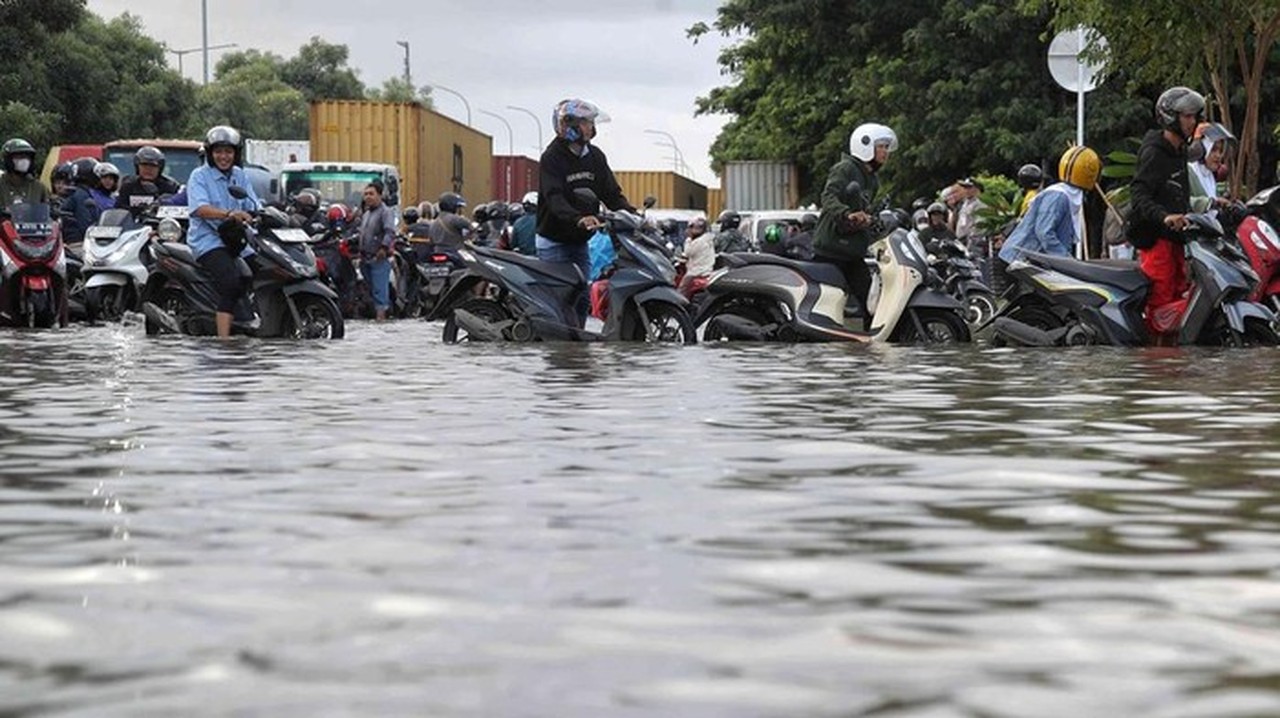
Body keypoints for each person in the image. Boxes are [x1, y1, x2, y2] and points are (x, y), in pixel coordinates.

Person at [537, 98, 634, 326]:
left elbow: (612, 194)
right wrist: (578, 218)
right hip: (554, 241)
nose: (591, 127)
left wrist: (632, 215)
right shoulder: (552, 157)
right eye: (585, 122)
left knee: (581, 298)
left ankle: (575, 352)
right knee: (561, 302)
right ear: (569, 125)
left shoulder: (595, 156)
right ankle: (557, 350)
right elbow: (554, 198)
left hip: (580, 242)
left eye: (591, 122)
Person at [1129, 86, 1203, 342]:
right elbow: (1139, 196)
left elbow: (1179, 195)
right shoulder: (1154, 152)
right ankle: (1156, 366)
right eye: (1187, 116)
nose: (1192, 122)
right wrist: (1164, 217)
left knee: (1178, 301)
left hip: (1177, 241)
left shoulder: (1179, 151)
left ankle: (1173, 363)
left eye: (1194, 116)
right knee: (1160, 306)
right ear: (1171, 117)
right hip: (1156, 240)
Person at [813, 122, 897, 323]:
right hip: (831, 250)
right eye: (881, 147)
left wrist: (872, 221)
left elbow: (864, 208)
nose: (885, 152)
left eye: (886, 147)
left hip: (853, 251)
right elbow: (828, 197)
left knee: (871, 301)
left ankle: (871, 348)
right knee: (827, 302)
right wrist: (847, 214)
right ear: (865, 146)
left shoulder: (872, 179)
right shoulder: (845, 169)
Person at [187, 125, 262, 338]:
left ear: (236, 154)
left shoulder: (239, 175)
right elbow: (199, 209)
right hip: (208, 240)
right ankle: (224, 340)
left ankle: (248, 317)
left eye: (228, 152)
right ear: (210, 153)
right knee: (230, 282)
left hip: (237, 239)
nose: (223, 156)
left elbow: (253, 203)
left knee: (261, 268)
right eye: (218, 151)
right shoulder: (199, 176)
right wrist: (229, 214)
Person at [994, 146, 1102, 292]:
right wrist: (1066, 261)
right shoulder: (1059, 196)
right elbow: (1044, 232)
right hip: (1021, 261)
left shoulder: (1067, 194)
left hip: (1029, 262)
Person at [357, 182, 397, 321]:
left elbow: (390, 232)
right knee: (373, 291)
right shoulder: (367, 213)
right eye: (366, 194)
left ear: (380, 195)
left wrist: (383, 248)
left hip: (378, 258)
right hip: (365, 258)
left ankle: (381, 320)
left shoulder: (386, 212)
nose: (368, 197)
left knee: (380, 291)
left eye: (371, 194)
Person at [1187, 122, 1235, 216]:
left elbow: (1216, 200)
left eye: (1220, 150)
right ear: (1203, 149)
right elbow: (1181, 201)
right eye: (1213, 150)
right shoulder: (1188, 172)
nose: (1218, 155)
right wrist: (1208, 203)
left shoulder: (1209, 175)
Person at [115, 146, 182, 211]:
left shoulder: (170, 186)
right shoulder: (128, 185)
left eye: (153, 166)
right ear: (137, 166)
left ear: (160, 168)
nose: (148, 169)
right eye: (144, 165)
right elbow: (118, 210)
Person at [60, 157, 102, 246]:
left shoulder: (74, 192)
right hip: (78, 242)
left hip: (70, 239)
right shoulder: (82, 196)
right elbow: (85, 222)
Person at [0, 138, 49, 207]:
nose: (25, 160)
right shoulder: (2, 185)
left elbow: (46, 212)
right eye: (19, 156)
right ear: (7, 159)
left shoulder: (38, 187)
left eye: (27, 157)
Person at [677, 216, 715, 300]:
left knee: (682, 288)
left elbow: (687, 252)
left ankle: (680, 304)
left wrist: (688, 239)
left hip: (697, 271)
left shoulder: (698, 242)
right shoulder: (708, 239)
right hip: (706, 270)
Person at [510, 191, 538, 255]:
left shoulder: (517, 222)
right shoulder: (542, 221)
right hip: (539, 258)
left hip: (523, 259)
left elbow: (513, 244)